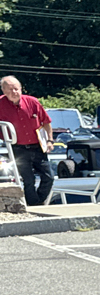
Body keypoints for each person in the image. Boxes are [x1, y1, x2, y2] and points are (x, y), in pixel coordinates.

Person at [0, 75, 56, 205]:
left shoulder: (32, 102)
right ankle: (34, 206)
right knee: (28, 180)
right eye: (9, 90)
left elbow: (46, 122)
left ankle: (38, 202)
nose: (14, 92)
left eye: (16, 89)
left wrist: (50, 141)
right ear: (3, 91)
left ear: (20, 88)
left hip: (37, 146)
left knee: (49, 177)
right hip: (18, 148)